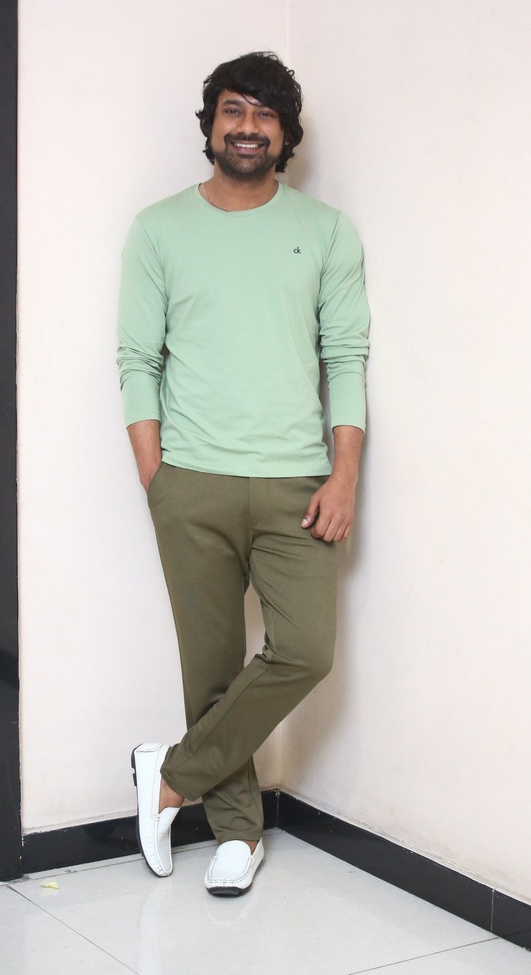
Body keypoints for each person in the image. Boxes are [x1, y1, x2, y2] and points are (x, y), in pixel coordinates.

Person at [117, 51, 370, 896]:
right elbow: (137, 359)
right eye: (234, 110)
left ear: (286, 133)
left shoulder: (326, 231)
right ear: (211, 124)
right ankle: (237, 832)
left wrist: (344, 475)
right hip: (190, 479)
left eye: (265, 115)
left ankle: (169, 775)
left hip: (298, 482)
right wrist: (156, 475)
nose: (249, 128)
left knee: (305, 649)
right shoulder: (158, 229)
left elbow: (346, 357)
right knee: (212, 666)